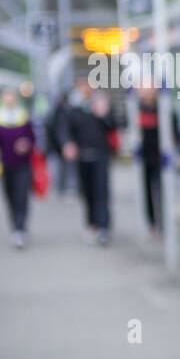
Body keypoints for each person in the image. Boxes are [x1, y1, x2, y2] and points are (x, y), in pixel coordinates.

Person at [60, 76, 116, 245]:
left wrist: (103, 114)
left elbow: (114, 125)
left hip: (101, 155)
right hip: (82, 157)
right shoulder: (72, 108)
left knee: (102, 192)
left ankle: (104, 226)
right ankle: (92, 224)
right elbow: (64, 129)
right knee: (87, 193)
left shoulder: (101, 104)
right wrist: (67, 144)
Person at [0, 85, 37, 248]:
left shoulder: (24, 117)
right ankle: (15, 225)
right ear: (2, 99)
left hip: (23, 165)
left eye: (12, 96)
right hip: (4, 165)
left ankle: (20, 228)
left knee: (22, 195)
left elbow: (33, 138)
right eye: (6, 96)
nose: (9, 99)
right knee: (10, 196)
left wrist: (27, 144)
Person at [134, 74, 180, 237]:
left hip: (161, 157)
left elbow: (176, 132)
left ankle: (165, 222)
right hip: (144, 158)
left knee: (164, 190)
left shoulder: (164, 108)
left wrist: (179, 153)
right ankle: (152, 223)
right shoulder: (136, 109)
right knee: (147, 191)